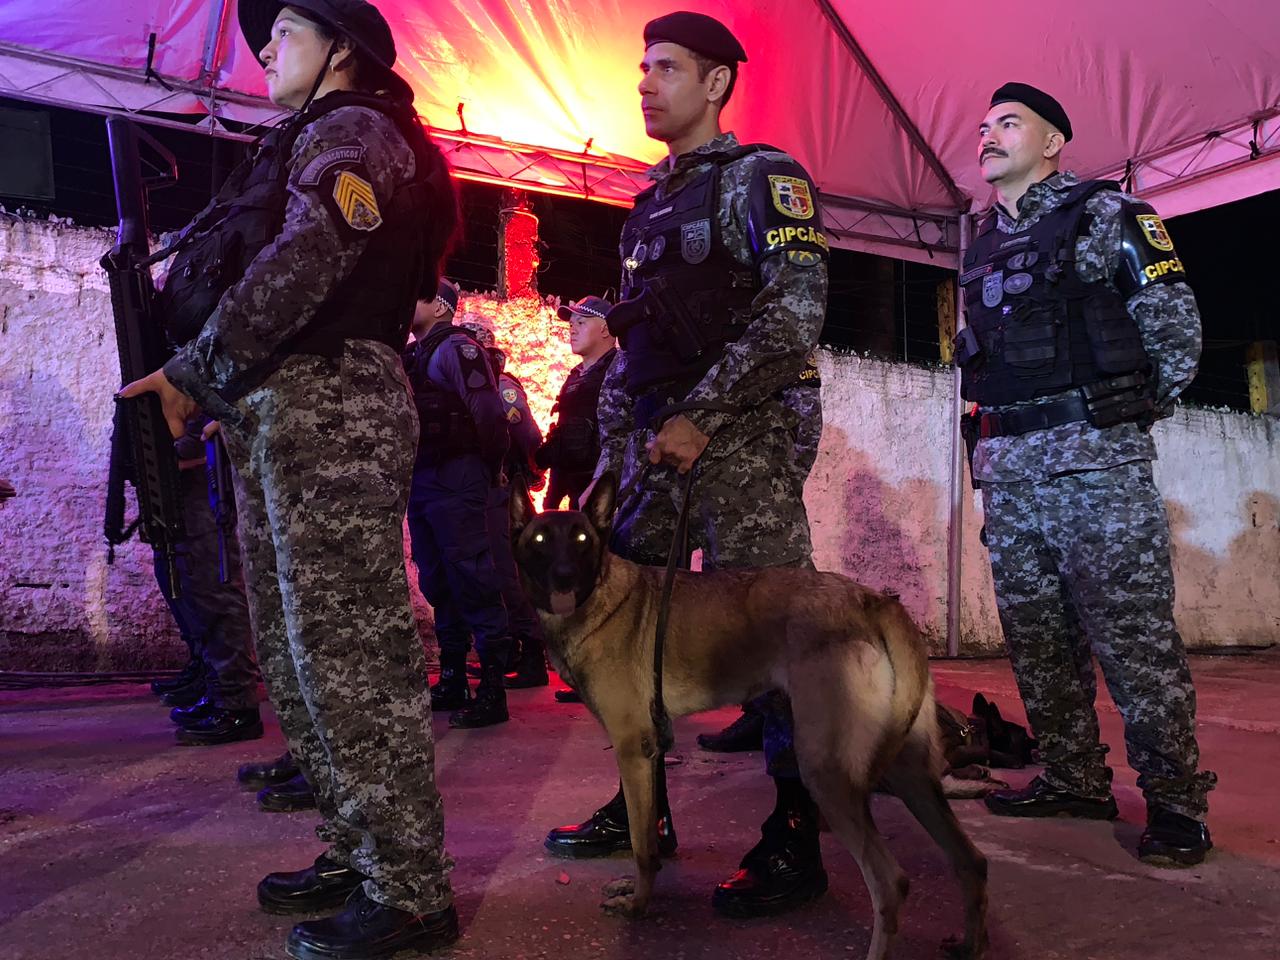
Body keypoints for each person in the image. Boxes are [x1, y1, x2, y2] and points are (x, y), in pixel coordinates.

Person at [119, 1, 462, 954]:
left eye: (287, 31)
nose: (264, 45)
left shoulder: (356, 127)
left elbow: (308, 257)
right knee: (297, 645)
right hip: (281, 405)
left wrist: (195, 372)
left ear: (342, 49)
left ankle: (410, 886)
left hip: (333, 402)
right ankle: (359, 851)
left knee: (346, 652)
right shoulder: (311, 132)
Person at [542, 12, 831, 919]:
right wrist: (617, 451)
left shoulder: (763, 179)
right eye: (641, 65)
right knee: (636, 631)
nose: (643, 80)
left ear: (716, 84)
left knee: (778, 633)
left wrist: (704, 416)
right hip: (653, 456)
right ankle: (645, 813)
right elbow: (640, 344)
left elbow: (796, 315)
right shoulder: (648, 204)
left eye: (665, 66)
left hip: (738, 445)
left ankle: (797, 832)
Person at [955, 82, 1215, 866]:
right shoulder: (981, 243)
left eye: (1009, 123)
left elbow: (1176, 334)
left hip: (1096, 469)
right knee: (1038, 639)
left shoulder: (1110, 217)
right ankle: (1072, 776)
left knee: (1133, 641)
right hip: (1010, 472)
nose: (988, 134)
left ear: (1053, 142)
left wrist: (1117, 426)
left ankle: (1174, 803)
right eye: (984, 125)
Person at [403, 282, 515, 726]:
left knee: (472, 575)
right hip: (426, 479)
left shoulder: (457, 349)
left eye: (416, 294)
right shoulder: (415, 354)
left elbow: (488, 415)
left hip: (457, 476)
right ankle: (452, 674)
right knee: (438, 579)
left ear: (439, 305)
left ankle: (492, 686)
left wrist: (491, 470)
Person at [157, 417, 264, 746]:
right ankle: (220, 688)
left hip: (208, 464)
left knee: (216, 588)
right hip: (191, 466)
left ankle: (237, 703)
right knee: (196, 586)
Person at [456, 321, 550, 689]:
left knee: (508, 573)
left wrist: (529, 475)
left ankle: (532, 658)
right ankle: (510, 652)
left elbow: (528, 435)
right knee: (490, 572)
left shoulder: (504, 388)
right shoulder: (483, 385)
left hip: (502, 490)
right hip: (481, 489)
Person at [535, 296, 617, 511]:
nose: (572, 329)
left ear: (605, 329)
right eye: (571, 324)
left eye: (581, 323)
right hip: (568, 481)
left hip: (601, 488)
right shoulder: (575, 376)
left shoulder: (619, 371)